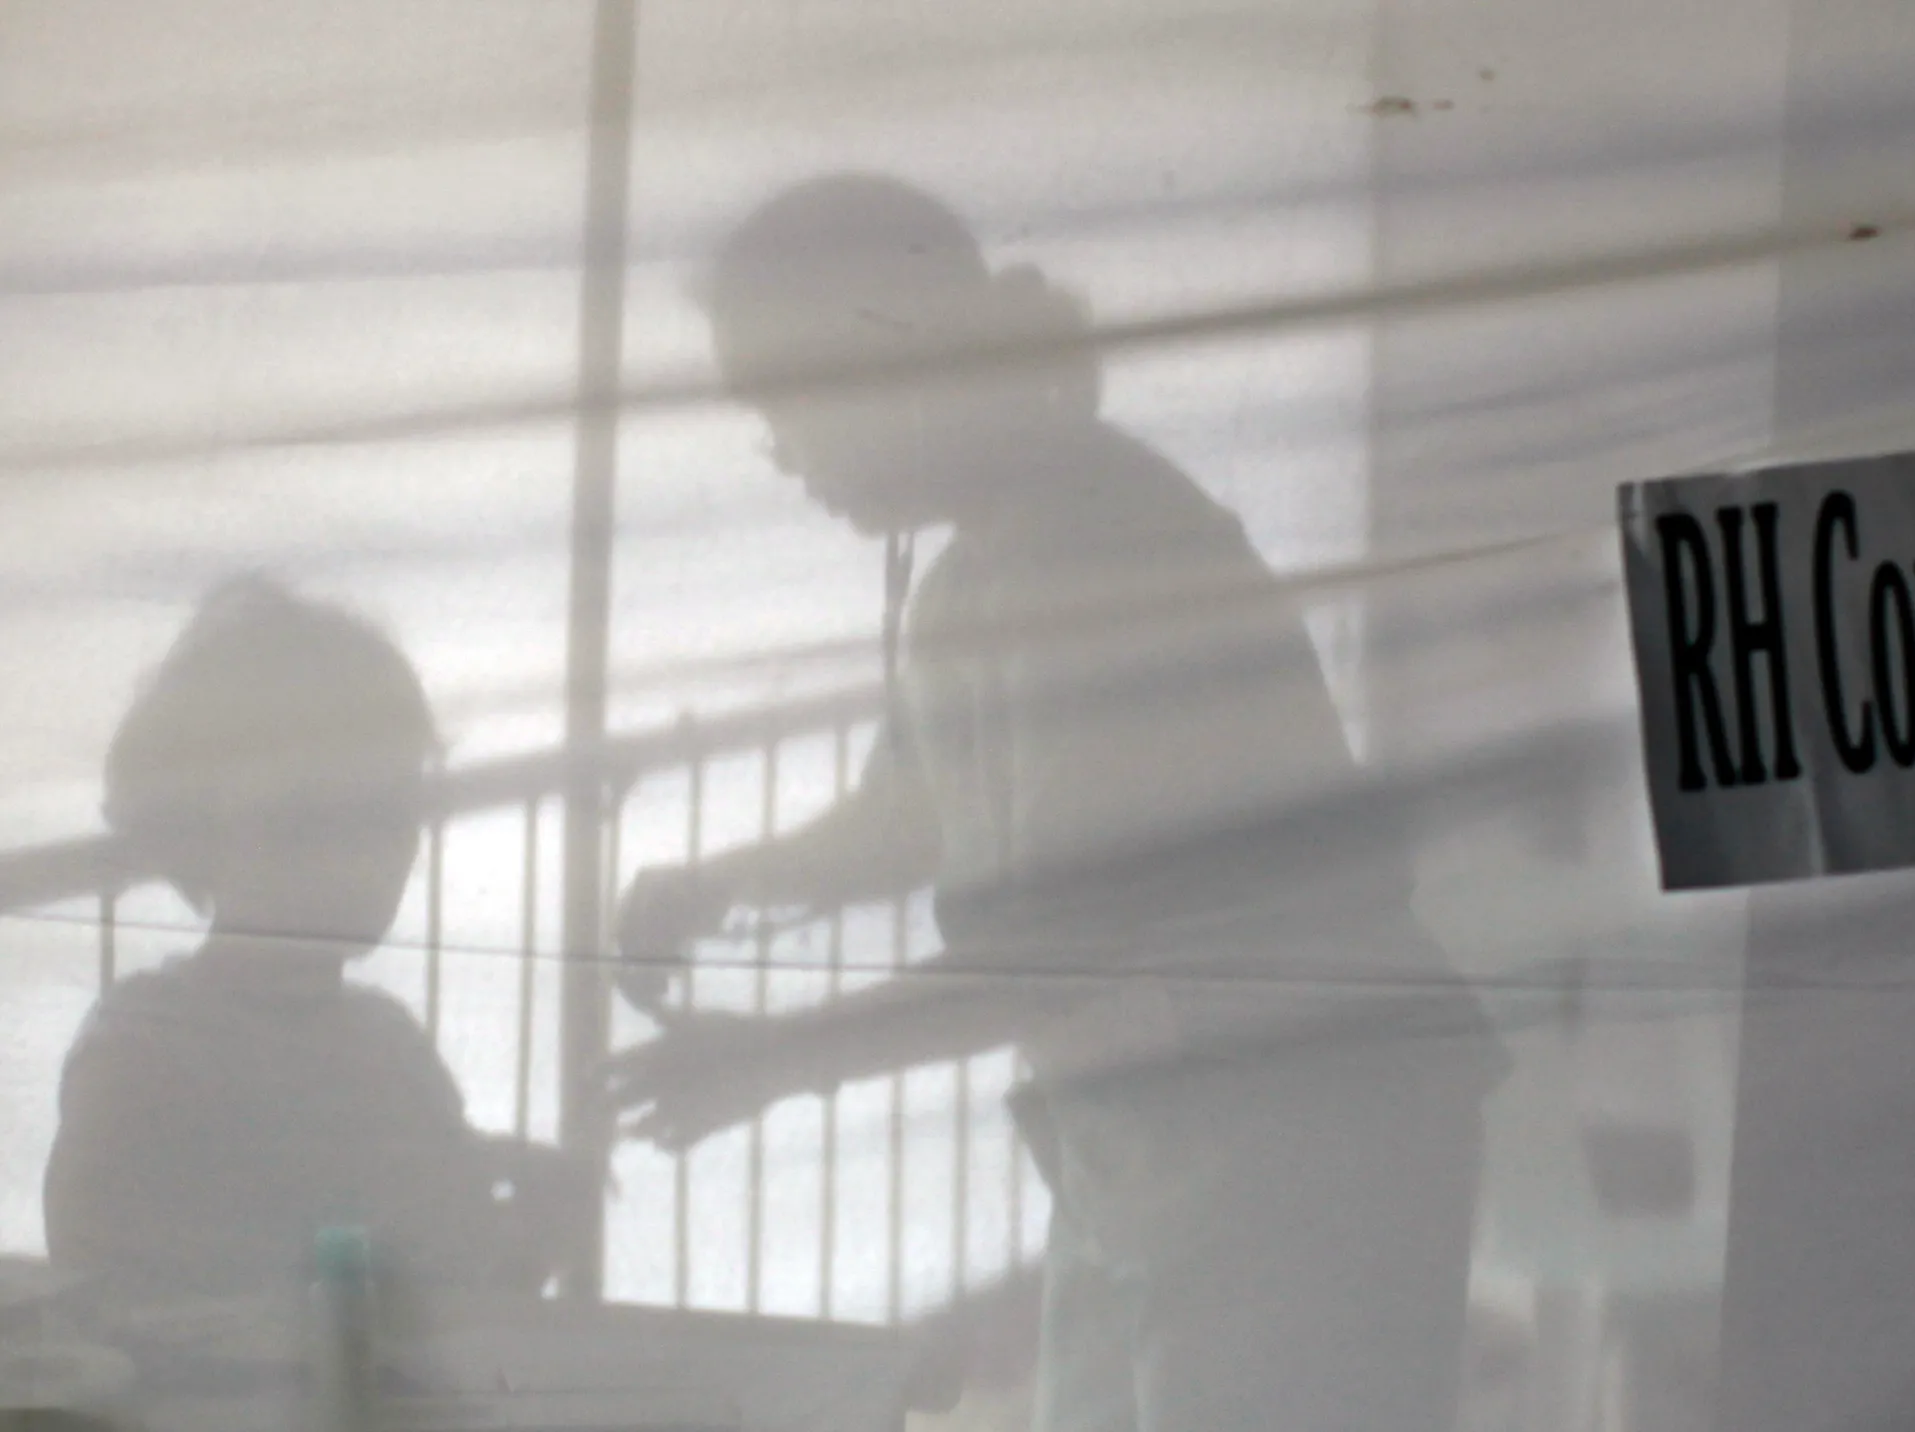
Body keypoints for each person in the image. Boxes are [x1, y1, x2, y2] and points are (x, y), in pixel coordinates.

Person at [604, 175, 1508, 1432]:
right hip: (1154, 1140)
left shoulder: (1109, 553)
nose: (780, 456)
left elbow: (1054, 949)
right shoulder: (974, 575)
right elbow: (915, 811)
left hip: (1311, 1141)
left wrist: (777, 1057)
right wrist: (723, 882)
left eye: (785, 406)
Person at [44, 577, 591, 1299]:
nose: (359, 856)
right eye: (308, 820)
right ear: (193, 830)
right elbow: (117, 1308)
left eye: (388, 812)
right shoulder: (143, 1059)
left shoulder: (389, 1045)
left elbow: (452, 1309)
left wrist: (527, 1237)